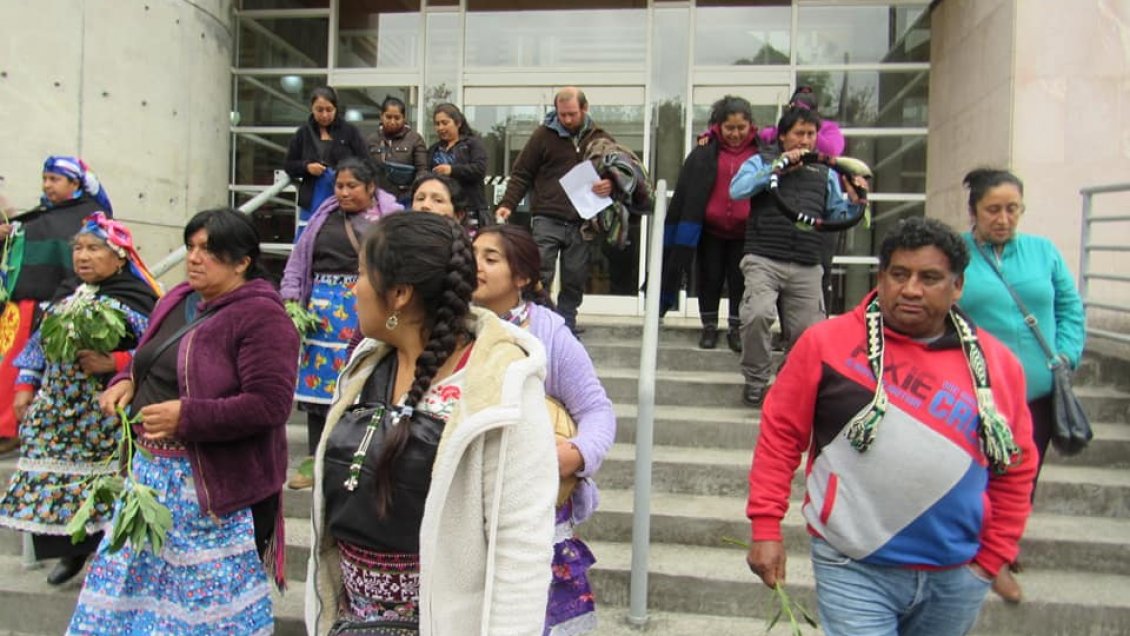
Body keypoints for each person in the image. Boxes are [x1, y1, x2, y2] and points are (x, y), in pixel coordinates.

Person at [745, 217, 1038, 636]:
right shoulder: (825, 344)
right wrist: (765, 526)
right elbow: (779, 438)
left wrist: (992, 558)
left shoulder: (997, 366)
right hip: (852, 563)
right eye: (899, 275)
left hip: (956, 573)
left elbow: (1016, 465)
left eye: (930, 277)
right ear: (881, 278)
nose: (911, 289)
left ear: (957, 286)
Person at [305, 213, 557, 635]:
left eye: (362, 273)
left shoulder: (500, 384)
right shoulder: (364, 369)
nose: (354, 287)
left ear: (399, 294)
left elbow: (521, 551)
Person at [68, 208, 299, 635]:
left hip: (210, 489)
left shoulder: (263, 318)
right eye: (191, 246)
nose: (194, 257)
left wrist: (187, 416)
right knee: (131, 591)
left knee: (204, 608)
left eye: (208, 250)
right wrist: (125, 381)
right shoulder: (177, 298)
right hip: (151, 480)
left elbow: (270, 405)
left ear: (242, 260)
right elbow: (148, 357)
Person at [0, 213, 160, 586]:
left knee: (103, 484)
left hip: (104, 408)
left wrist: (117, 361)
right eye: (78, 249)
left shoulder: (136, 297)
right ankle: (69, 551)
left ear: (120, 257)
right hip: (58, 406)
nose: (82, 256)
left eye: (94, 249)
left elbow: (160, 349)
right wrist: (26, 386)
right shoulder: (65, 293)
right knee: (58, 482)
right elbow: (37, 346)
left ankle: (105, 553)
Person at [472, 224, 615, 635]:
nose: (475, 265)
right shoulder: (449, 327)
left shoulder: (548, 331)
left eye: (490, 258)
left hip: (537, 517)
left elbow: (598, 411)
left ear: (522, 278)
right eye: (472, 254)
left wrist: (572, 455)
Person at [957, 168, 1085, 603]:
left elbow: (1069, 307)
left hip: (1036, 392)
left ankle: (1002, 551)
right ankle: (979, 545)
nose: (1004, 218)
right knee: (979, 471)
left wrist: (1065, 354)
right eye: (993, 209)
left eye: (1013, 209)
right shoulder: (956, 253)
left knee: (1021, 475)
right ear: (974, 210)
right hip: (976, 390)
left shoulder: (1042, 251)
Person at [729, 106, 866, 406]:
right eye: (799, 134)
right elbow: (737, 190)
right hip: (763, 256)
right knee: (757, 314)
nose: (805, 141)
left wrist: (855, 202)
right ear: (782, 136)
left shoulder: (826, 171)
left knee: (809, 330)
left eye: (811, 134)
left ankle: (787, 379)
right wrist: (774, 170)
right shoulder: (761, 160)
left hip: (806, 261)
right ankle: (755, 379)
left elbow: (834, 214)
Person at [280, 157, 402, 490]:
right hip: (320, 312)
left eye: (352, 186)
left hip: (362, 308)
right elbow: (298, 260)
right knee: (317, 390)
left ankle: (350, 455)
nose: (344, 193)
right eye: (339, 186)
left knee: (357, 381)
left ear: (371, 187)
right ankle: (314, 458)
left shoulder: (389, 220)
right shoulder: (322, 217)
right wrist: (292, 299)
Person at [0, 156, 115, 455]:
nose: (47, 185)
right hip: (21, 306)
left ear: (75, 183)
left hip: (53, 306)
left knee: (22, 366)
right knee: (9, 367)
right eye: (45, 178)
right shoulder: (46, 214)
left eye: (55, 179)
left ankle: (11, 428)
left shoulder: (87, 218)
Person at [495, 87, 615, 335]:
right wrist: (508, 203)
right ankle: (538, 322)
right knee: (540, 273)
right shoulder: (542, 136)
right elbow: (522, 173)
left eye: (572, 114)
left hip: (582, 221)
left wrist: (610, 185)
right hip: (547, 217)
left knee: (575, 277)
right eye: (562, 115)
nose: (567, 119)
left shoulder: (601, 139)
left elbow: (618, 174)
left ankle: (566, 326)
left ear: (585, 108)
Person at [662, 95, 758, 352]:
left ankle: (736, 328)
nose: (735, 133)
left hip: (746, 233)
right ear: (718, 126)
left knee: (740, 281)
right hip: (710, 231)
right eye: (729, 128)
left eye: (741, 128)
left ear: (751, 125)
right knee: (710, 278)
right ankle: (709, 327)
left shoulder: (761, 150)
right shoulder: (705, 150)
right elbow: (688, 189)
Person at [284, 86, 368, 237]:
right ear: (312, 109)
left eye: (329, 110)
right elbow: (289, 165)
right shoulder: (303, 133)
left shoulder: (349, 131)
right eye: (319, 110)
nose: (324, 115)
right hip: (313, 195)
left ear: (336, 109)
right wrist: (306, 167)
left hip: (343, 194)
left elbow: (366, 162)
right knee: (309, 237)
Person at [427, 103, 489, 229]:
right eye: (437, 124)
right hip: (441, 209)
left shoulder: (472, 144)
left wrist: (451, 170)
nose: (440, 127)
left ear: (458, 123)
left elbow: (479, 169)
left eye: (445, 123)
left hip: (470, 208)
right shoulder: (434, 149)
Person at [367, 96, 428, 207]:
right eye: (388, 117)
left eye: (397, 118)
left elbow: (422, 171)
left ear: (404, 118)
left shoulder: (415, 139)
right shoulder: (372, 140)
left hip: (406, 199)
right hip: (377, 199)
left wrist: (414, 193)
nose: (392, 121)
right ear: (381, 116)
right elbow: (364, 169)